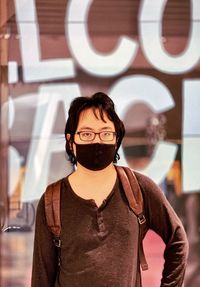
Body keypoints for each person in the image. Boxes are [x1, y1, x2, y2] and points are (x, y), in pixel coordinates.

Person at [31, 92, 188, 287]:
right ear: (71, 142)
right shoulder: (52, 201)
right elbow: (41, 277)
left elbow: (178, 240)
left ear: (116, 140)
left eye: (105, 133)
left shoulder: (139, 188)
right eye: (86, 134)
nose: (97, 141)